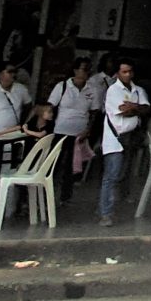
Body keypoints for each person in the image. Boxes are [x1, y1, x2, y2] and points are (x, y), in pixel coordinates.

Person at [97, 59, 151, 226]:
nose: (128, 75)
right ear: (117, 73)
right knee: (111, 176)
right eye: (124, 72)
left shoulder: (138, 90)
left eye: (130, 71)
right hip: (115, 138)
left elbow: (146, 109)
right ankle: (105, 213)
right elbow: (123, 112)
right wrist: (136, 108)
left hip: (131, 137)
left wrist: (132, 107)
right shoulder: (113, 91)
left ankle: (115, 205)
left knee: (126, 173)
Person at [45, 59, 95, 199]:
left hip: (79, 133)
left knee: (72, 166)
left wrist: (88, 130)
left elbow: (94, 112)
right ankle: (46, 192)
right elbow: (50, 106)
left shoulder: (92, 89)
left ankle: (66, 196)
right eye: (84, 69)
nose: (86, 73)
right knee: (54, 163)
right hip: (60, 131)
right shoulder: (62, 86)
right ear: (75, 70)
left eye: (88, 70)